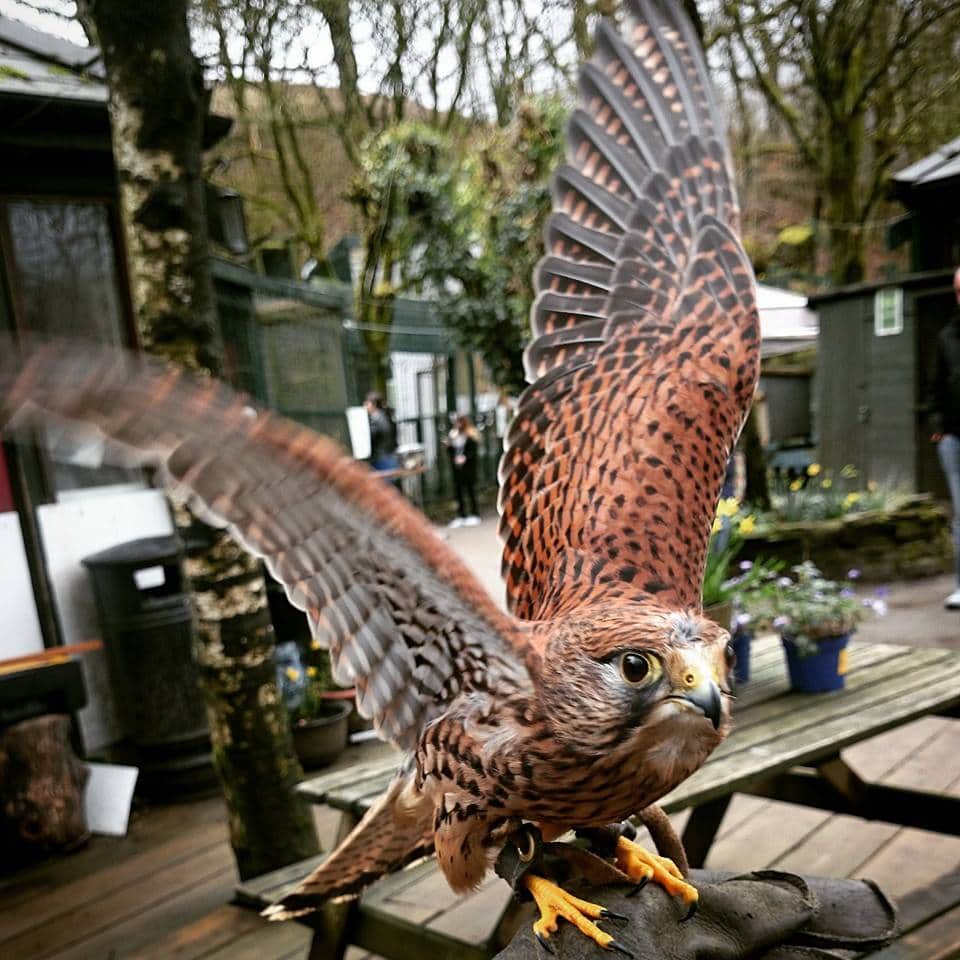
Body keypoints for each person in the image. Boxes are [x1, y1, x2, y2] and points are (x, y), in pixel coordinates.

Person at [931, 266, 960, 609]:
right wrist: (938, 425)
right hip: (953, 438)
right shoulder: (947, 336)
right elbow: (935, 384)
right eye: (957, 291)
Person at [445, 414, 480, 528]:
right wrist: (449, 446)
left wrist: (465, 457)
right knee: (458, 492)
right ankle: (462, 515)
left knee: (470, 491)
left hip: (468, 468)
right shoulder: (453, 435)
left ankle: (475, 513)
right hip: (457, 469)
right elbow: (450, 451)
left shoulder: (471, 434)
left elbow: (473, 451)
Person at [364, 392, 398, 473]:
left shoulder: (375, 419)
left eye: (367, 403)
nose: (365, 405)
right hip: (390, 456)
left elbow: (371, 439)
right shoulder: (386, 416)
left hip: (381, 459)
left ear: (374, 404)